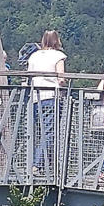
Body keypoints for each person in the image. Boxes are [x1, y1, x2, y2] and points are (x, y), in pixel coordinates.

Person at [26, 30, 67, 172]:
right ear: (57, 41)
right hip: (51, 96)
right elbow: (61, 78)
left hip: (35, 97)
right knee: (49, 132)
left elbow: (29, 77)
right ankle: (38, 164)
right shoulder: (58, 56)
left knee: (35, 132)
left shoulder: (34, 56)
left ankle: (39, 164)